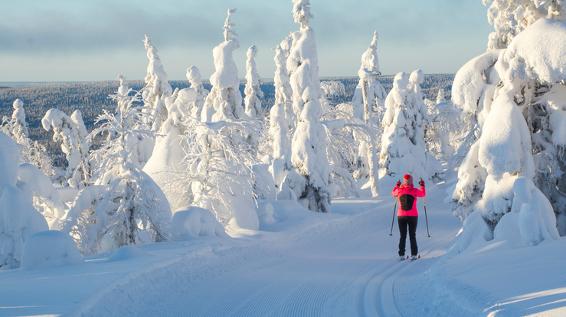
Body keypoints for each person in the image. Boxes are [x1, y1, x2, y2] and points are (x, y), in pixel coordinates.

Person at [392, 174, 425, 260]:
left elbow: (393, 192)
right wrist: (422, 185)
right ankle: (414, 255)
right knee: (412, 235)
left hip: (401, 216)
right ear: (411, 181)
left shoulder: (399, 190)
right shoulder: (414, 191)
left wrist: (397, 185)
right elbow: (423, 194)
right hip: (413, 216)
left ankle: (401, 255)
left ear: (404, 181)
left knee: (402, 235)